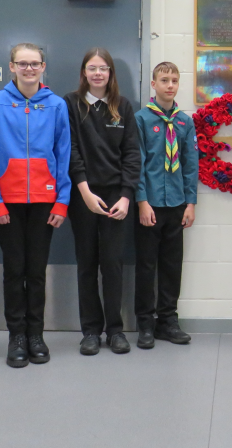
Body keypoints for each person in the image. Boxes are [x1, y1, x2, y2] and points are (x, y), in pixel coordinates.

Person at [0, 43, 70, 368]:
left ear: (44, 67)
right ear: (11, 67)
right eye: (23, 63)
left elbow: (64, 156)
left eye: (34, 63)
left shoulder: (56, 105)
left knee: (36, 271)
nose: (29, 69)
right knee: (13, 269)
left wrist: (62, 202)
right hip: (8, 202)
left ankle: (36, 334)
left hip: (45, 202)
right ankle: (15, 336)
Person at [65, 47, 141, 356]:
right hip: (82, 194)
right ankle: (90, 331)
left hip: (115, 199)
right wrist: (84, 191)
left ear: (111, 73)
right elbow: (69, 149)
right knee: (87, 264)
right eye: (92, 68)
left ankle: (115, 330)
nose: (98, 73)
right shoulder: (69, 104)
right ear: (84, 72)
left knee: (112, 264)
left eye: (104, 68)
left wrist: (125, 197)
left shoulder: (123, 107)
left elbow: (132, 155)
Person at [134, 61, 197, 349]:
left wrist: (190, 202)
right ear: (153, 84)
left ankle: (167, 320)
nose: (170, 85)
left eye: (174, 80)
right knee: (147, 265)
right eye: (164, 80)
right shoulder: (142, 120)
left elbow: (190, 165)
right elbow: (138, 165)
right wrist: (142, 201)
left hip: (176, 204)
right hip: (151, 205)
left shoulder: (185, 121)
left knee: (172, 265)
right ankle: (145, 323)